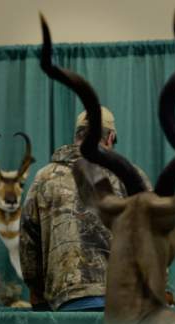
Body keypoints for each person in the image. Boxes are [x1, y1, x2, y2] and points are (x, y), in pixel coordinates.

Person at [20, 106, 151, 312]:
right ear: (110, 138)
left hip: (66, 302)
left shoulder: (44, 178)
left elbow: (29, 242)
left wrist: (37, 291)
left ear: (77, 137)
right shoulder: (132, 177)